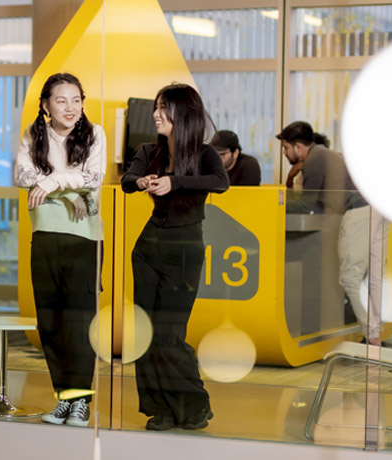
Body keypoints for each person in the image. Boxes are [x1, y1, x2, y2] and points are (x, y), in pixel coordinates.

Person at [121, 83, 229, 431]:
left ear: (182, 113)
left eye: (164, 108)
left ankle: (195, 404)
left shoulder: (204, 153)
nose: (156, 113)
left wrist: (175, 181)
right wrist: (141, 183)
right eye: (155, 106)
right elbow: (128, 179)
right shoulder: (147, 150)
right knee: (146, 333)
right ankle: (160, 408)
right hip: (148, 249)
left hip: (185, 250)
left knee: (169, 333)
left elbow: (220, 182)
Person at [14, 73, 106, 426]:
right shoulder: (34, 134)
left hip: (84, 238)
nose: (71, 108)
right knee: (49, 323)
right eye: (62, 100)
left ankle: (80, 401)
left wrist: (52, 181)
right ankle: (63, 399)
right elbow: (22, 176)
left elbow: (94, 179)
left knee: (78, 323)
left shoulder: (94, 134)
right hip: (45, 235)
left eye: (76, 100)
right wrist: (72, 190)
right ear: (46, 105)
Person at [277, 121, 379, 344]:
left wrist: (275, 205)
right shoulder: (322, 155)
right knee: (373, 275)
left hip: (359, 211)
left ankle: (372, 336)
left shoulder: (313, 160)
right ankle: (376, 333)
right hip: (376, 208)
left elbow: (307, 204)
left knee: (349, 278)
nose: (284, 153)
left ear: (298, 146)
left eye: (286, 148)